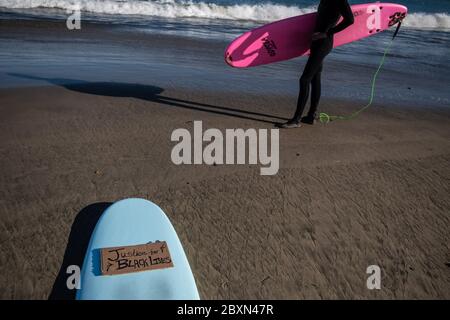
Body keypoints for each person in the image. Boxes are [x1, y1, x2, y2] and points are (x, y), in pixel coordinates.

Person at [280, 0, 354, 128]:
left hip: (323, 44)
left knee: (304, 80)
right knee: (315, 78)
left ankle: (296, 120)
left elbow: (350, 20)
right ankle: (311, 116)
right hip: (316, 43)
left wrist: (326, 33)